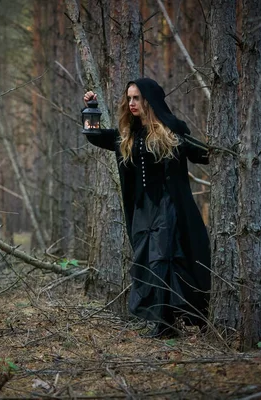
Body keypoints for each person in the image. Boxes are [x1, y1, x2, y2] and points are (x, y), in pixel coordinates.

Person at [82, 78, 211, 338]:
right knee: (147, 263)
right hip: (141, 210)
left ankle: (168, 323)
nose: (131, 103)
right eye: (129, 98)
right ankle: (163, 321)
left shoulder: (171, 131)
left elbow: (203, 154)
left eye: (137, 98)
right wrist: (91, 108)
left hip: (166, 207)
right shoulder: (126, 135)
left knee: (164, 260)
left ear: (149, 101)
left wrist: (226, 149)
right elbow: (94, 135)